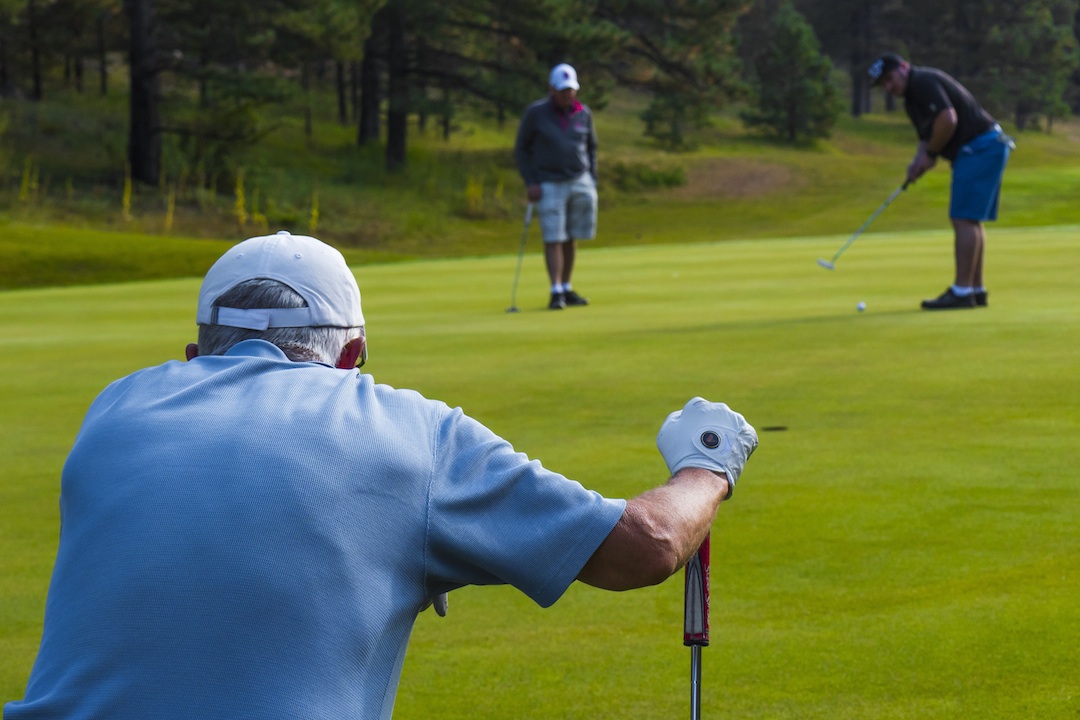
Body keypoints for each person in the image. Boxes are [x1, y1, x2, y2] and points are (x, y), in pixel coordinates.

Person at [5, 230, 758, 720]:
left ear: (198, 352)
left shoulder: (115, 411)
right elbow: (648, 545)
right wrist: (707, 462)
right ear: (352, 355)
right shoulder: (407, 432)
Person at [868, 52, 1014, 310]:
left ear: (903, 67)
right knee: (970, 219)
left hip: (979, 146)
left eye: (890, 79)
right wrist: (917, 163)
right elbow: (927, 137)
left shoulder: (923, 82)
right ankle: (975, 289)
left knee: (962, 217)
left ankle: (962, 291)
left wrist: (932, 155)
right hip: (983, 147)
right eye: (883, 85)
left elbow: (948, 120)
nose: (889, 87)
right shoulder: (911, 100)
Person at [514, 63, 598, 310]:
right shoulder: (536, 113)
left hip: (579, 180)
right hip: (548, 182)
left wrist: (592, 177)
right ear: (551, 88)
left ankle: (567, 287)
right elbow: (522, 149)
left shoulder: (584, 112)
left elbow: (592, 147)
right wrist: (530, 181)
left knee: (572, 237)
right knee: (553, 237)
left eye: (570, 90)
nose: (567, 95)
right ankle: (555, 290)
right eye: (562, 90)